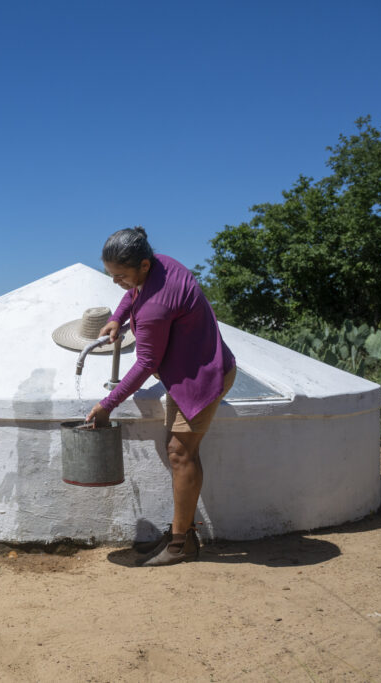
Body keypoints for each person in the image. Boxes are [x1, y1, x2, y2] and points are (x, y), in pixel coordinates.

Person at [85, 227, 236, 567]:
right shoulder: (163, 264)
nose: (116, 283)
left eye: (120, 275)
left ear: (143, 264)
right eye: (111, 275)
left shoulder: (155, 307)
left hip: (202, 376)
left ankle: (181, 544)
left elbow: (146, 363)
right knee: (178, 451)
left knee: (180, 454)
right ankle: (182, 533)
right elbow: (134, 292)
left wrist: (107, 404)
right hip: (192, 369)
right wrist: (117, 318)